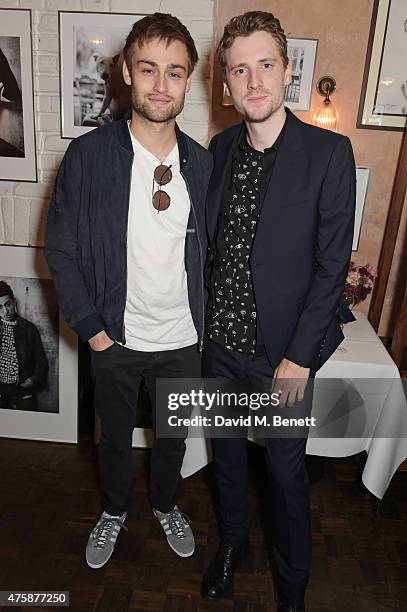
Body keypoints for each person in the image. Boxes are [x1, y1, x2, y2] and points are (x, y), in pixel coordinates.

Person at [45, 13, 212, 569]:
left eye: (175, 72)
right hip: (114, 340)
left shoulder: (205, 166)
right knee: (113, 440)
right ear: (126, 72)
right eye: (149, 69)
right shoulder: (89, 158)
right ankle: (114, 510)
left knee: (172, 442)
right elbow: (62, 250)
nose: (161, 85)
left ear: (188, 80)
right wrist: (93, 332)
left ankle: (166, 503)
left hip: (185, 341)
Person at [201, 11, 356, 611]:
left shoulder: (327, 153)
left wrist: (297, 359)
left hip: (281, 358)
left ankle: (292, 587)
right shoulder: (218, 150)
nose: (254, 80)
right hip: (219, 349)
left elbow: (330, 268)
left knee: (287, 478)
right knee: (229, 462)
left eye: (266, 65)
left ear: (287, 72)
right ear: (228, 84)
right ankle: (234, 544)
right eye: (240, 69)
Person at [0, 281, 48, 411]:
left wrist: (32, 380)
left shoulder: (28, 329)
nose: (5, 311)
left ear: (14, 302)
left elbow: (41, 362)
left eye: (7, 304)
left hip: (23, 391)